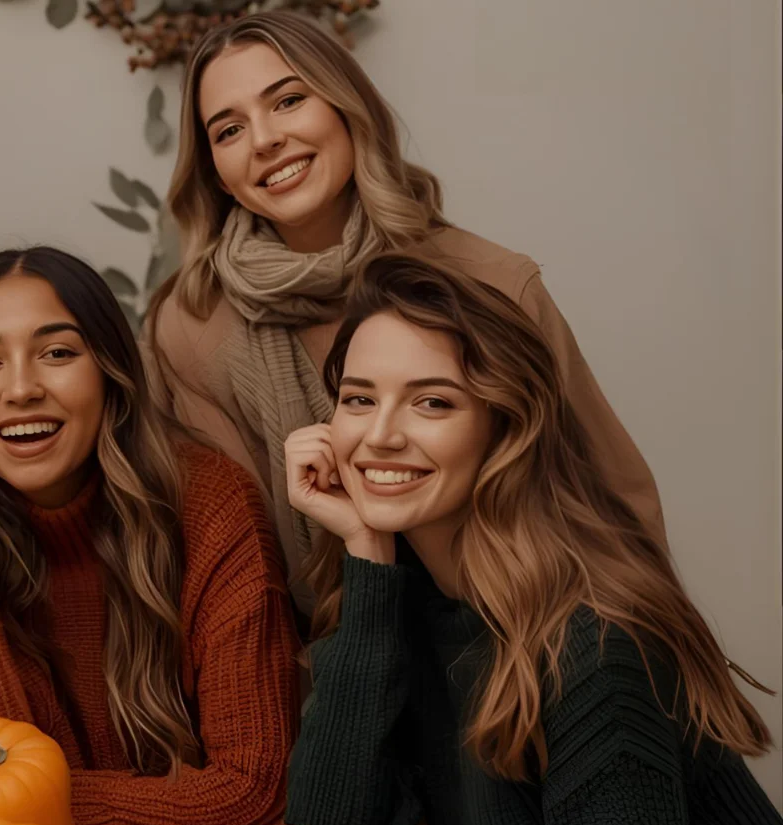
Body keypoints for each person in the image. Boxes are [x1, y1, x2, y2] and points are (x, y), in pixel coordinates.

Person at [244, 252, 783, 825]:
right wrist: (365, 557)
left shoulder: (593, 646)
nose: (379, 435)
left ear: (505, 428)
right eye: (359, 399)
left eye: (432, 402)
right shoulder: (406, 601)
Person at [146, 11, 663, 620]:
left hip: (525, 642)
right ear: (217, 174)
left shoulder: (490, 283)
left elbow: (612, 502)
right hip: (322, 666)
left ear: (348, 109)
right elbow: (230, 564)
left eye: (288, 100)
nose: (264, 140)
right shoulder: (191, 327)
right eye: (228, 130)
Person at [0, 247, 299, 825]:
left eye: (57, 353)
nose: (21, 389)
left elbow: (250, 793)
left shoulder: (212, 505)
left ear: (111, 371)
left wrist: (20, 803)